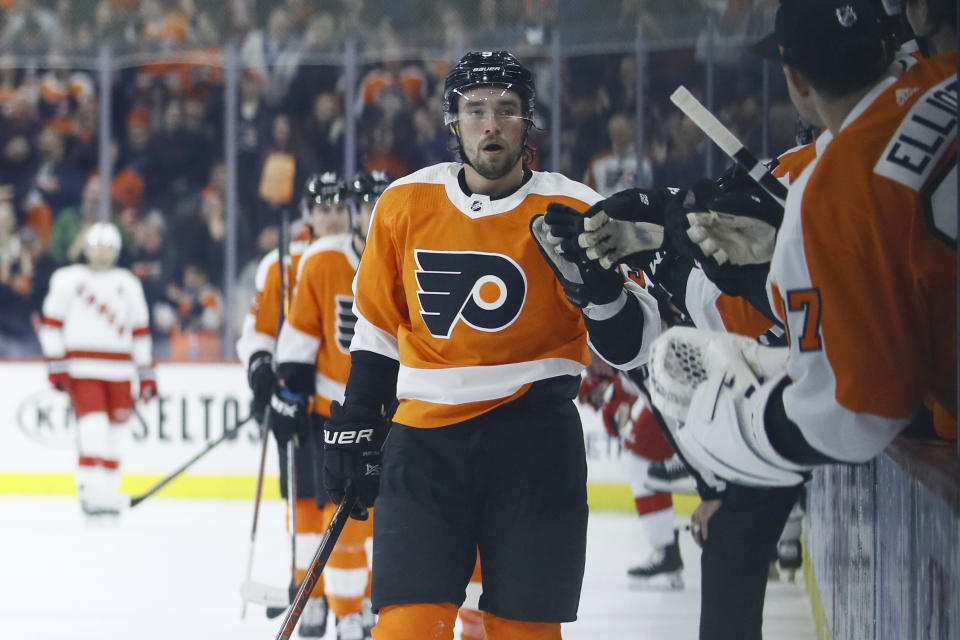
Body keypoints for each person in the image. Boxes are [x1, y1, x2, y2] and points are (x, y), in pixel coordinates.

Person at [321, 50, 661, 640]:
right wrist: (359, 421)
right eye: (474, 110)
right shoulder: (404, 202)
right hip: (424, 446)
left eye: (506, 109)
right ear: (453, 120)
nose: (491, 124)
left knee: (523, 632)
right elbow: (377, 330)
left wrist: (602, 295)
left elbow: (635, 344)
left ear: (529, 121)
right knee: (405, 629)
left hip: (535, 445)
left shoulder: (576, 209)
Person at [646, 0, 955, 525]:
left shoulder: (836, 186)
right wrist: (768, 280)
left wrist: (741, 425)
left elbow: (858, 414)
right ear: (891, 47)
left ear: (795, 80)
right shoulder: (943, 78)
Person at [268, 172, 381, 639]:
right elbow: (299, 337)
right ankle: (339, 607)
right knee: (335, 511)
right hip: (330, 410)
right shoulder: (321, 259)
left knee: (379, 517)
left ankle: (364, 603)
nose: (372, 212)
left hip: (390, 411)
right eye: (366, 203)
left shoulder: (406, 252)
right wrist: (288, 392)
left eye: (382, 202)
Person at [235, 171, 343, 633]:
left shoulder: (368, 254)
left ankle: (350, 595)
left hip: (344, 400)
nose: (332, 217)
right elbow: (259, 330)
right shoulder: (283, 264)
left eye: (340, 208)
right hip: (295, 400)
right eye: (323, 208)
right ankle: (308, 592)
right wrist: (261, 370)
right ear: (308, 214)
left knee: (347, 506)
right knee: (302, 501)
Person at [36, 222, 157, 516]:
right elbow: (51, 324)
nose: (101, 253)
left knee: (116, 434)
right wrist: (56, 362)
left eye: (108, 247)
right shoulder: (68, 279)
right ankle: (90, 491)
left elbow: (140, 331)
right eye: (97, 246)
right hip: (82, 369)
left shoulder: (127, 283)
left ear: (116, 251)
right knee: (93, 430)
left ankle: (109, 493)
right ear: (87, 248)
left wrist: (146, 374)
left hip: (119, 370)